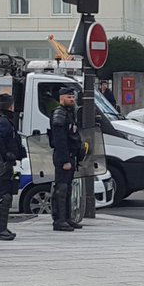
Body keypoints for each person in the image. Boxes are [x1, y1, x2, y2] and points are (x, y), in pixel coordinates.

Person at [0, 93, 26, 241]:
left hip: (1, 164)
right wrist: (6, 154)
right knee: (4, 196)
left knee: (3, 195)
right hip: (2, 165)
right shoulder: (3, 122)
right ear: (11, 106)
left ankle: (1, 228)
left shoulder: (0, 120)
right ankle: (0, 229)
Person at [49, 85, 83, 231]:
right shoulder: (60, 114)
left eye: (73, 97)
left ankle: (67, 218)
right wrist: (65, 161)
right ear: (61, 99)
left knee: (67, 188)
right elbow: (60, 140)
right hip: (64, 156)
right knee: (61, 188)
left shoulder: (69, 113)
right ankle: (59, 220)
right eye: (69, 97)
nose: (72, 99)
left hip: (70, 155)